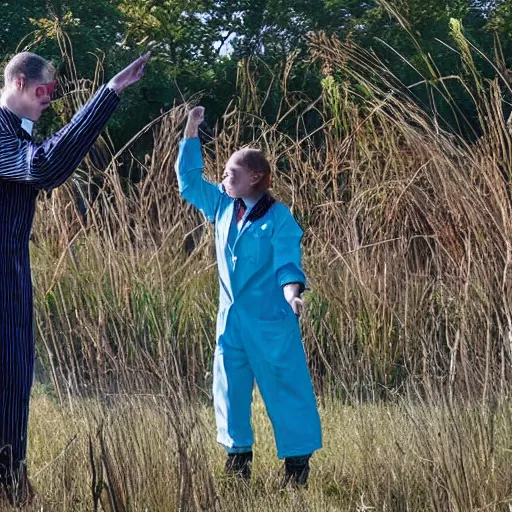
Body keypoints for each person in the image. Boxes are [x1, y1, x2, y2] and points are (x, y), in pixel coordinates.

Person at [0, 50, 150, 506]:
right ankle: (10, 479)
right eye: (45, 90)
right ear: (20, 83)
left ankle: (9, 476)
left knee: (13, 374)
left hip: (11, 269)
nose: (50, 99)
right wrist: (108, 95)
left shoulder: (16, 133)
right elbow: (45, 166)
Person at [176, 106, 322, 486]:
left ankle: (296, 468)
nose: (224, 178)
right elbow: (189, 182)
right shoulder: (223, 205)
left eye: (232, 174)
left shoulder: (279, 218)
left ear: (256, 177)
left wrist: (293, 295)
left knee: (285, 390)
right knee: (229, 388)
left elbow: (288, 263)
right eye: (224, 173)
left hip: (271, 319)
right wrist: (191, 129)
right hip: (232, 321)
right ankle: (237, 461)